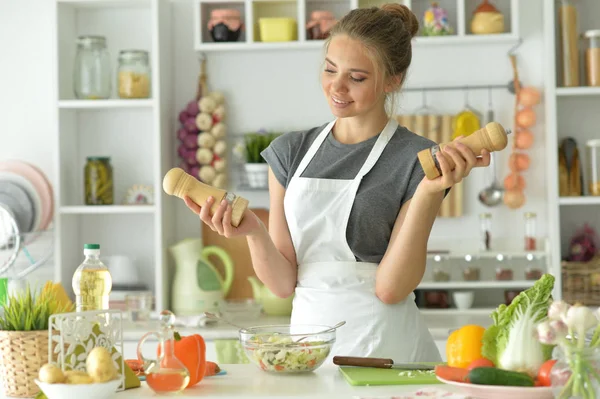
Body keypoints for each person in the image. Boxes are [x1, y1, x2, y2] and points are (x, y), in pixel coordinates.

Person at [184, 4, 491, 362]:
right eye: (330, 69)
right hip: (307, 351)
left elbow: (391, 289)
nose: (337, 87)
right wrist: (254, 231)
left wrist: (427, 191)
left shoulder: (420, 160)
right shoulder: (289, 152)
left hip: (387, 351)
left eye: (357, 77)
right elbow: (283, 285)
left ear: (394, 80)